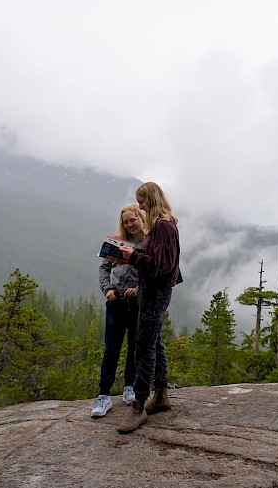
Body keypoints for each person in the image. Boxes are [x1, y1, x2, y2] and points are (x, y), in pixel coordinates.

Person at [115, 182, 182, 433]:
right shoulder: (161, 225)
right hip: (151, 291)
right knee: (154, 342)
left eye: (141, 200)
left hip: (155, 293)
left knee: (143, 347)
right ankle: (162, 395)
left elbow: (161, 268)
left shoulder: (163, 227)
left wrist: (132, 257)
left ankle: (139, 405)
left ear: (151, 199)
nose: (140, 204)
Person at [90, 203, 147, 418]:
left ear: (141, 218)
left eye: (133, 219)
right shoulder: (116, 242)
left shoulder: (148, 243)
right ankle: (104, 396)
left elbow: (151, 272)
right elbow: (104, 268)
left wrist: (139, 289)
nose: (130, 224)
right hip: (116, 301)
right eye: (126, 221)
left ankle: (129, 388)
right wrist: (107, 289)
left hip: (137, 304)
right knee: (111, 348)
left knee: (135, 346)